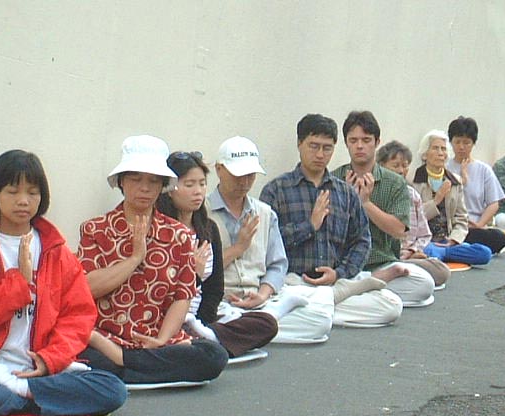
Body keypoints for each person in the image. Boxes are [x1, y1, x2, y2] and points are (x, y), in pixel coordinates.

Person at [78, 135, 229, 384]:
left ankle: (125, 365)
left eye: (153, 181)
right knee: (85, 354)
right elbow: (87, 288)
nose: (145, 188)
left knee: (214, 356)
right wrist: (135, 258)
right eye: (136, 179)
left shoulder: (178, 234)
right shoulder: (95, 229)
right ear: (122, 181)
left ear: (163, 186)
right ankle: (130, 366)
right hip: (104, 338)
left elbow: (182, 295)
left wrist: (161, 339)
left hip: (157, 339)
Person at [0, 150, 126, 416]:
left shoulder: (56, 251)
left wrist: (49, 360)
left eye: (32, 192)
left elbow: (77, 317)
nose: (23, 201)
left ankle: (20, 394)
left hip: (39, 369)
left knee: (112, 389)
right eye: (12, 191)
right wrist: (19, 283)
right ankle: (33, 397)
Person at [260, 114, 404, 327]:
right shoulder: (276, 190)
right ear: (300, 144)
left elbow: (361, 241)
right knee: (291, 296)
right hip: (293, 282)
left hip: (335, 283)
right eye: (313, 146)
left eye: (327, 148)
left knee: (391, 306)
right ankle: (316, 312)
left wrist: (339, 273)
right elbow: (265, 243)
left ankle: (313, 313)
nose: (320, 154)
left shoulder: (345, 192)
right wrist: (309, 226)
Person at [207, 136, 333, 343]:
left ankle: (243, 329)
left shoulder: (265, 213)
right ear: (219, 169)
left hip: (260, 300)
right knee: (222, 317)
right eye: (238, 175)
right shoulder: (202, 213)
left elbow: (277, 264)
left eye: (250, 176)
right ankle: (253, 327)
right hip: (220, 302)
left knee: (321, 317)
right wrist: (238, 248)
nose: (244, 182)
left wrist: (263, 294)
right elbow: (198, 271)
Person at [156, 151, 278, 358]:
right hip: (165, 319)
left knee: (266, 323)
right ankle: (202, 342)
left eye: (202, 184)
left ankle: (206, 336)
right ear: (169, 189)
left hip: (199, 319)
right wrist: (193, 275)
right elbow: (157, 292)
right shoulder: (160, 230)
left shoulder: (208, 228)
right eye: (189, 185)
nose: (198, 191)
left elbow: (214, 289)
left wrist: (204, 322)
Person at [331, 111, 435, 307]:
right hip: (342, 266)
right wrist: (349, 200)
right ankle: (365, 292)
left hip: (382, 263)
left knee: (425, 284)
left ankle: (353, 293)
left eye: (366, 140)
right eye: (353, 140)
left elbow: (399, 230)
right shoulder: (333, 179)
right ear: (346, 143)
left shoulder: (394, 182)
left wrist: (365, 203)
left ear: (377, 142)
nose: (359, 146)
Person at [405, 130, 492, 265]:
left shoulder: (454, 180)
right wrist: (436, 200)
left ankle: (441, 255)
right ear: (425, 154)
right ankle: (436, 256)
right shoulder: (413, 181)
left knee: (484, 253)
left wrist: (454, 239)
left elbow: (461, 217)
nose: (441, 153)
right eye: (435, 148)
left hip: (447, 241)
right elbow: (414, 219)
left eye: (443, 149)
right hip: (425, 241)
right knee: (430, 251)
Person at [375, 140, 451, 286]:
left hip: (413, 254)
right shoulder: (375, 194)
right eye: (395, 166)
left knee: (442, 270)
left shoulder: (412, 194)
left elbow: (424, 234)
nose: (401, 171)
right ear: (381, 166)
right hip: (387, 258)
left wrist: (412, 250)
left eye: (405, 166)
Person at [445, 116, 505, 253]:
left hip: (474, 226)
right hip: (450, 225)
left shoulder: (483, 169)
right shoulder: (444, 167)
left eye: (466, 143)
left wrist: (480, 224)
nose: (461, 147)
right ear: (451, 142)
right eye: (457, 142)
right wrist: (461, 179)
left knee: (500, 238)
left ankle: (461, 247)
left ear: (473, 143)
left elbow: (494, 203)